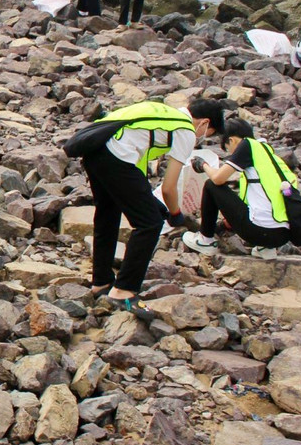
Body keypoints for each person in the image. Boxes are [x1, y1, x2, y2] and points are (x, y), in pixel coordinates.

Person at [80, 98, 224, 315]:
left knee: (107, 215)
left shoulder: (162, 113)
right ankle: (124, 290)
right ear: (203, 123)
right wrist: (175, 214)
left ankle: (101, 282)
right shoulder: (184, 128)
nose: (202, 138)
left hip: (96, 151)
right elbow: (168, 187)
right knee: (149, 225)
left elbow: (135, 178)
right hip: (116, 158)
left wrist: (156, 204)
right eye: (208, 133)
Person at [183, 119, 298, 260]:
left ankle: (205, 240)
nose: (230, 154)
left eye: (227, 148)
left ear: (232, 140)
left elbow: (218, 178)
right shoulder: (266, 152)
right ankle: (265, 249)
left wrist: (203, 165)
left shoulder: (246, 146)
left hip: (261, 232)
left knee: (211, 185)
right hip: (282, 236)